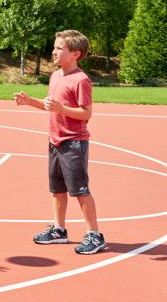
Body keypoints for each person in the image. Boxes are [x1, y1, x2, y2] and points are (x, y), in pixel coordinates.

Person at [13, 29, 106, 254]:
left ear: (75, 54)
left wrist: (62, 108)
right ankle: (59, 230)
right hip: (55, 141)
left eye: (59, 48)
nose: (53, 52)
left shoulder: (81, 80)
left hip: (73, 142)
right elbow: (50, 106)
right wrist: (30, 102)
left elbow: (86, 114)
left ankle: (95, 235)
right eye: (54, 47)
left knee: (80, 190)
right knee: (57, 190)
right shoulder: (55, 76)